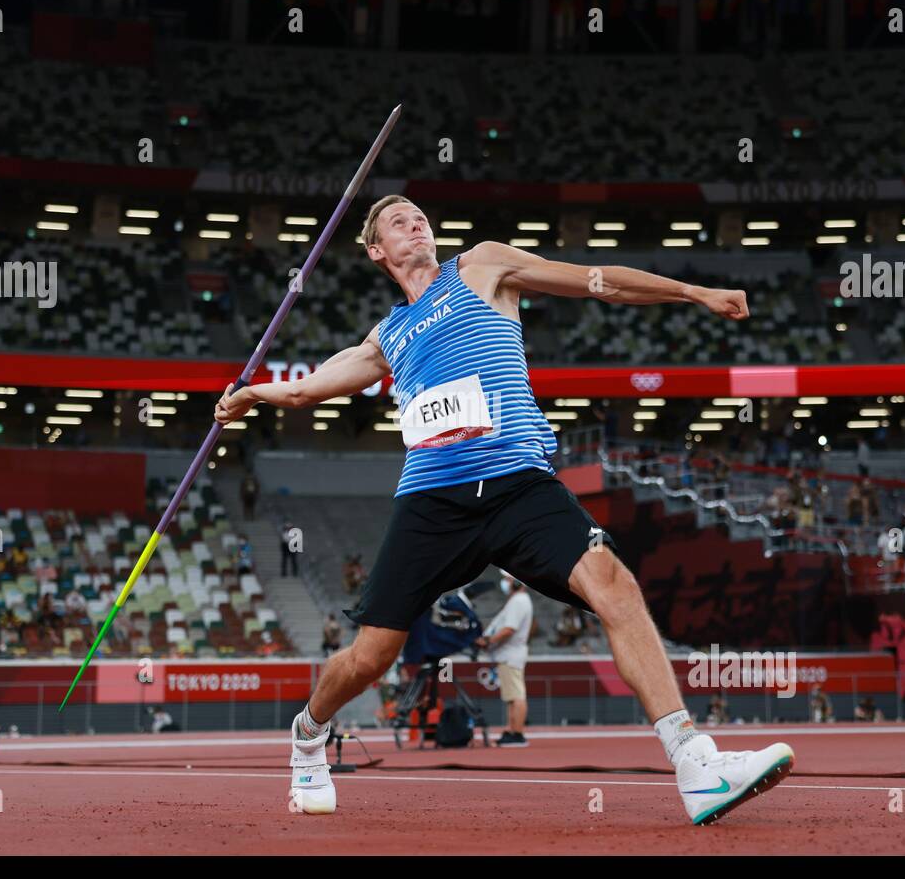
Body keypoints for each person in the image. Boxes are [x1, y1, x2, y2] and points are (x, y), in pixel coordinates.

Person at [215, 194, 793, 824]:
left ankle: (695, 763)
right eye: (399, 222)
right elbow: (306, 390)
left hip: (520, 484)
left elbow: (595, 281)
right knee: (370, 657)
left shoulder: (482, 267)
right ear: (377, 251)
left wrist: (691, 292)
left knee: (614, 585)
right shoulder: (385, 338)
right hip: (433, 501)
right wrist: (252, 395)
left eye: (421, 216)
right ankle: (308, 733)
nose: (417, 224)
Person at [476, 571, 533, 746]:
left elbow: (509, 629)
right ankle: (512, 730)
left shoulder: (519, 601)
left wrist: (488, 640)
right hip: (509, 654)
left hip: (510, 654)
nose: (505, 582)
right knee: (511, 697)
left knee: (516, 695)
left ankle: (517, 734)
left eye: (508, 579)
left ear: (517, 582)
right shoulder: (518, 600)